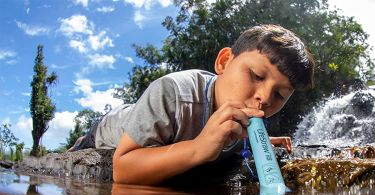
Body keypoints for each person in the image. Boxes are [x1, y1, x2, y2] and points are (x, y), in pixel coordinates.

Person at [71, 24, 315, 185]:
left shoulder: (243, 113)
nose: (265, 97)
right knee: (80, 151)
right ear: (224, 62)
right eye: (256, 76)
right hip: (113, 129)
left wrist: (256, 141)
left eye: (281, 94)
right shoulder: (174, 93)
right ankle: (79, 143)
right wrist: (198, 149)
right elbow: (122, 170)